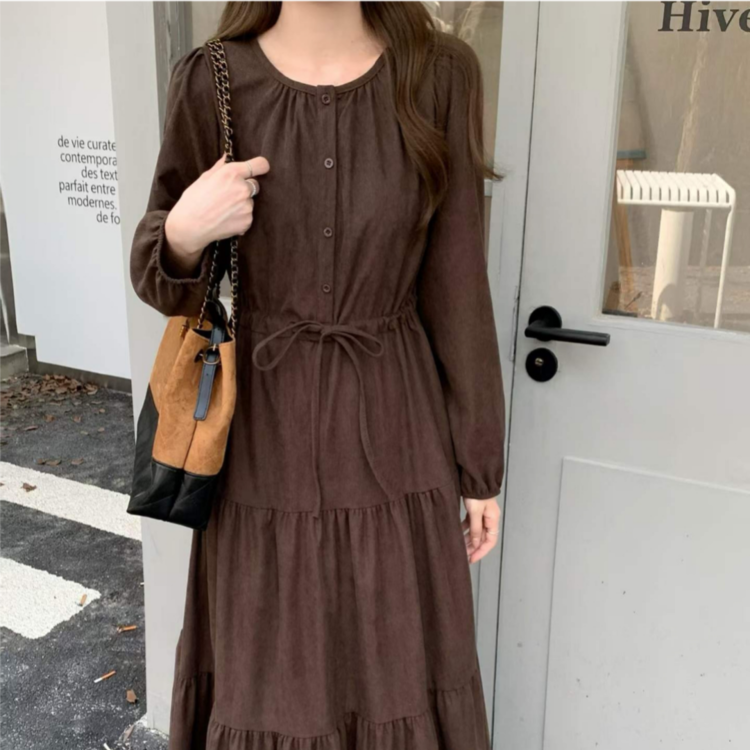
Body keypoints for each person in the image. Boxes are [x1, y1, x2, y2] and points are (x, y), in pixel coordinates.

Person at [129, 0, 506, 747]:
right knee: (272, 670)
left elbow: (458, 280)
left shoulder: (440, 75)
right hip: (261, 440)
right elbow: (157, 273)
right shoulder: (211, 79)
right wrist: (185, 230)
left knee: (395, 661)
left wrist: (480, 466)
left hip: (396, 428)